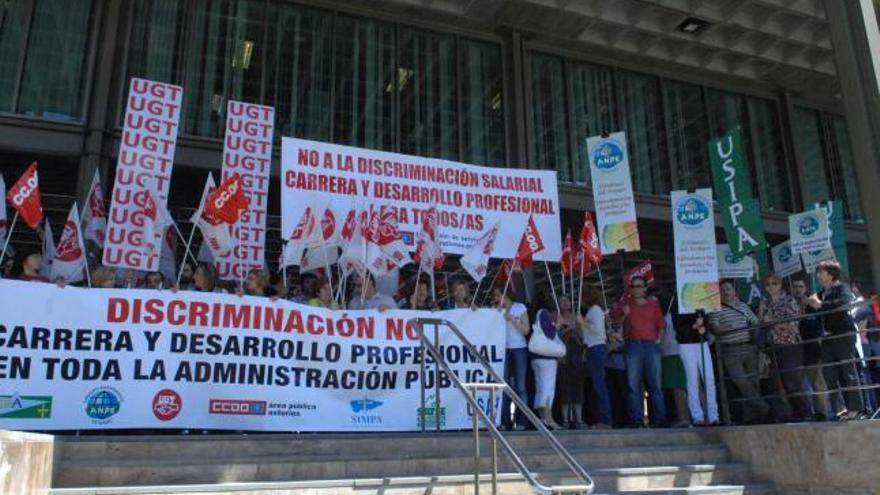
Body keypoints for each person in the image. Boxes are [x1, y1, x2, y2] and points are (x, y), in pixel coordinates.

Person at [807, 260, 864, 419]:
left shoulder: (842, 288)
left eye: (822, 272)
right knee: (830, 374)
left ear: (831, 275)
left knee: (848, 372)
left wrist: (820, 305)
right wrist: (812, 304)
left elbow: (844, 303)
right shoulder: (821, 292)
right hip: (826, 338)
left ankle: (855, 409)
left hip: (843, 335)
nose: (818, 275)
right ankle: (840, 409)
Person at [708, 279, 770, 424]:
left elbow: (755, 322)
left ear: (734, 291)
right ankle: (765, 409)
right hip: (730, 350)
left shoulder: (742, 306)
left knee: (754, 382)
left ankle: (753, 416)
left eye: (728, 289)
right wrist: (730, 328)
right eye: (722, 290)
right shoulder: (715, 309)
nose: (725, 292)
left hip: (748, 347)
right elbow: (715, 328)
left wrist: (761, 315)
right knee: (741, 382)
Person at [758, 274, 810, 421]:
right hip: (771, 346)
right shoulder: (764, 302)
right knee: (774, 383)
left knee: (791, 381)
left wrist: (772, 322)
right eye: (767, 284)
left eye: (774, 283)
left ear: (780, 285)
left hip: (789, 345)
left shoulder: (789, 301)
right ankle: (787, 414)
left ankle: (804, 412)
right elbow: (760, 323)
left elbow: (793, 326)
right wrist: (763, 319)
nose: (771, 286)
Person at [618, 276, 667, 427]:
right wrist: (624, 315)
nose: (636, 289)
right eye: (633, 286)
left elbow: (662, 325)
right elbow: (615, 325)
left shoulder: (653, 305)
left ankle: (659, 420)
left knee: (655, 385)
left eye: (639, 286)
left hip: (651, 346)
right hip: (633, 345)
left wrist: (658, 340)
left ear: (645, 288)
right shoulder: (625, 305)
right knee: (633, 385)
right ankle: (636, 420)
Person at [671, 303, 720, 426]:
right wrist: (694, 326)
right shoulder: (677, 304)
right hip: (686, 344)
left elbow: (706, 321)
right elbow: (678, 327)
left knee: (709, 378)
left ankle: (713, 415)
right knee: (692, 379)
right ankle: (697, 416)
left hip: (701, 342)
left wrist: (705, 329)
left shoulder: (699, 303)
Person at [791, 276, 830, 420]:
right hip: (795, 348)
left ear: (805, 288)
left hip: (813, 347)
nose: (797, 290)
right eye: (795, 287)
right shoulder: (789, 305)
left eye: (800, 287)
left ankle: (822, 413)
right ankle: (805, 413)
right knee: (798, 384)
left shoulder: (813, 304)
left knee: (818, 383)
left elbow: (822, 323)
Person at [493, 286, 529, 430]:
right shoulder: (495, 310)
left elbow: (526, 330)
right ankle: (504, 421)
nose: (495, 299)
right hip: (503, 350)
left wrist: (513, 320)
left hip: (519, 348)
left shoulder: (519, 307)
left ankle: (522, 421)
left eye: (497, 295)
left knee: (520, 386)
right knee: (504, 386)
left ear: (505, 295)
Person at [577, 286, 612, 428]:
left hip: (596, 348)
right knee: (598, 384)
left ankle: (605, 419)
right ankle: (603, 418)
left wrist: (583, 322)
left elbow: (597, 329)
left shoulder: (595, 310)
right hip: (594, 348)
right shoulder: (596, 310)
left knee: (599, 385)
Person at [529, 291, 562, 430]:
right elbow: (550, 333)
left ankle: (543, 418)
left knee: (540, 386)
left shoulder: (534, 314)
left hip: (536, 358)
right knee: (548, 388)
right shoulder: (544, 313)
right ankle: (548, 418)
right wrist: (558, 325)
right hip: (546, 358)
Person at [555, 295, 587, 429]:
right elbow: (555, 336)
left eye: (566, 301)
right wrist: (567, 327)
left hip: (577, 357)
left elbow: (584, 337)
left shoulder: (577, 317)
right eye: (561, 301)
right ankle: (566, 420)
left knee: (578, 390)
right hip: (563, 358)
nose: (564, 304)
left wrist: (580, 325)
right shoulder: (557, 319)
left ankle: (578, 419)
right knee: (564, 390)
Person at [661, 306, 690, 428]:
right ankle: (703, 415)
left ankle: (684, 417)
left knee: (677, 387)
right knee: (692, 385)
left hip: (671, 353)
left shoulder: (667, 317)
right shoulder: (685, 314)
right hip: (683, 351)